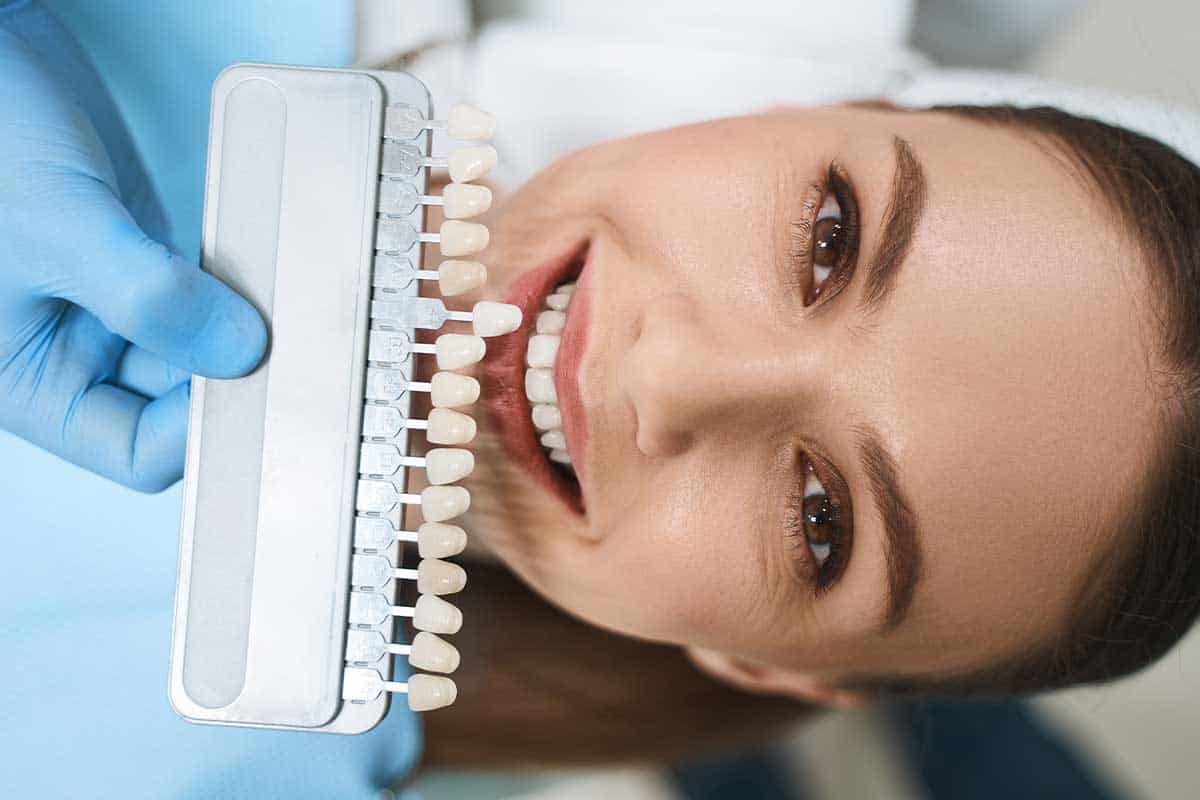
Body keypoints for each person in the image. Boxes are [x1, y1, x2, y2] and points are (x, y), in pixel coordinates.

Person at [4, 0, 1200, 795]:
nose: (669, 376)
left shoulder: (202, 752)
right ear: (818, 106)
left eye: (821, 521)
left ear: (761, 664)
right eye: (829, 236)